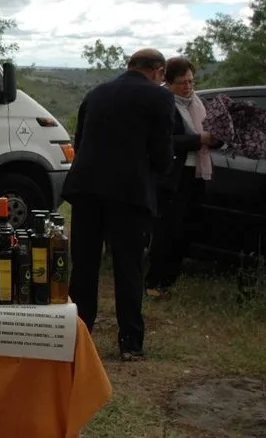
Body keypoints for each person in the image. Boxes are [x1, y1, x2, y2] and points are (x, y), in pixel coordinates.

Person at [62, 48, 175, 361]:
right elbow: (162, 150)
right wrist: (158, 174)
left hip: (86, 187)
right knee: (128, 266)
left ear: (130, 66)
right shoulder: (159, 97)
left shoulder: (97, 92)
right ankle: (130, 342)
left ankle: (79, 334)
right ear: (159, 71)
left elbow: (80, 140)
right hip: (128, 191)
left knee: (84, 264)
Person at [145, 57, 215, 297]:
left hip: (197, 172)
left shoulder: (198, 103)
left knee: (187, 228)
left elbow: (208, 132)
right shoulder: (164, 104)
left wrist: (214, 139)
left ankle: (170, 278)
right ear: (169, 82)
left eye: (191, 81)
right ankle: (155, 281)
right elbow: (164, 141)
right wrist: (198, 140)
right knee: (168, 229)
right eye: (182, 83)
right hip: (174, 175)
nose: (188, 87)